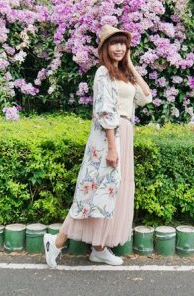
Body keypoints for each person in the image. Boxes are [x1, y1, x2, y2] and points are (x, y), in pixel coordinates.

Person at [43, 25, 152, 267]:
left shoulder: (124, 74)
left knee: (111, 194)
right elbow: (104, 111)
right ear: (104, 48)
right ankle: (57, 241)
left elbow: (146, 97)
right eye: (114, 43)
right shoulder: (103, 73)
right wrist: (112, 147)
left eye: (123, 43)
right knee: (93, 193)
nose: (119, 48)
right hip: (108, 138)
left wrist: (131, 64)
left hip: (125, 132)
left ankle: (99, 248)